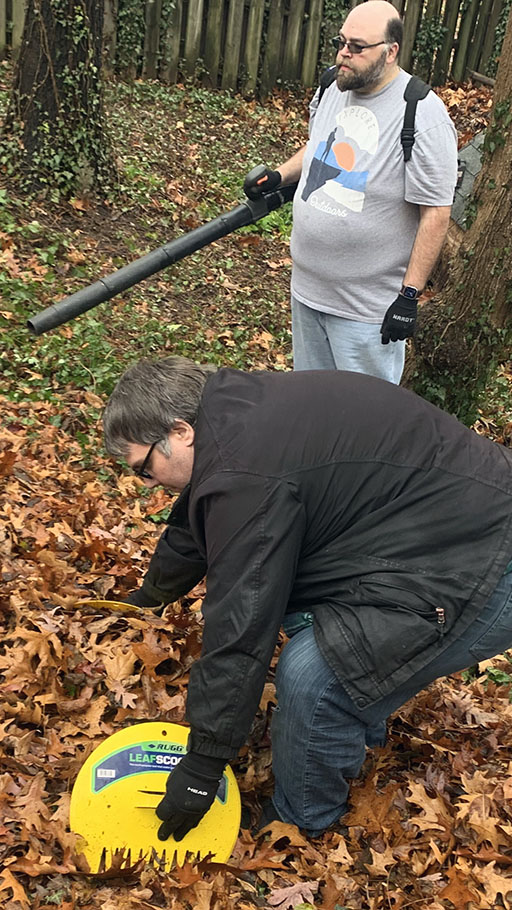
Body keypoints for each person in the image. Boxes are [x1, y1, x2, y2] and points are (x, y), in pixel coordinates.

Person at [103, 356, 512, 840]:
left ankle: (305, 823)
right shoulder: (233, 412)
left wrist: (202, 765)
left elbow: (241, 624)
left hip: (483, 563)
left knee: (313, 674)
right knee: (307, 621)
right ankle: (355, 732)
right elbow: (201, 519)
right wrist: (151, 595)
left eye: (144, 469)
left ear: (180, 431)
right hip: (435, 531)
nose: (146, 485)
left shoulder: (244, 472)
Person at [243, 0, 458, 384]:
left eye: (357, 47)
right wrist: (279, 176)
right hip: (307, 293)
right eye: (341, 42)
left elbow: (436, 212)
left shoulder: (422, 113)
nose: (344, 53)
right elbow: (317, 144)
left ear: (390, 51)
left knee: (363, 426)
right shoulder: (332, 85)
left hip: (365, 313)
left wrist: (409, 298)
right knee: (312, 407)